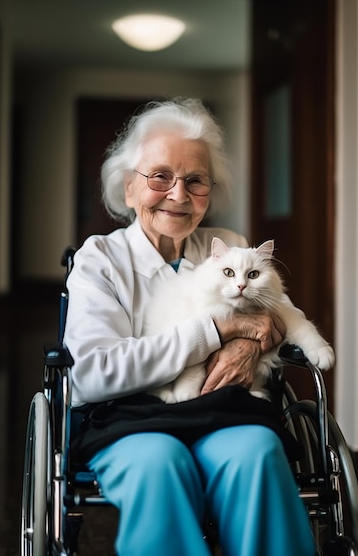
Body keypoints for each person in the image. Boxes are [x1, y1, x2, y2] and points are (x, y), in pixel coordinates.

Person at [63, 97, 315, 556]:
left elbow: (282, 316)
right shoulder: (100, 260)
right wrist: (217, 333)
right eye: (160, 176)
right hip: (131, 420)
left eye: (195, 181)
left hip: (224, 410)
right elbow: (91, 374)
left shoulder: (231, 248)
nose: (178, 195)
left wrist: (251, 345)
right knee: (160, 463)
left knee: (256, 452)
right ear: (128, 189)